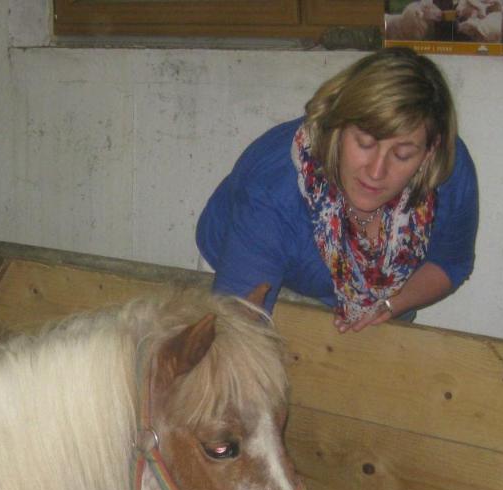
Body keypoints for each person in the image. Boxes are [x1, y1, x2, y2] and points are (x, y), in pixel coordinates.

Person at [196, 48, 477, 333]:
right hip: (246, 267)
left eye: (402, 155)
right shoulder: (273, 191)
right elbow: (236, 333)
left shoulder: (445, 169)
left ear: (429, 152)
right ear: (336, 127)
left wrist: (391, 304)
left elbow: (450, 262)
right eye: (365, 143)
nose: (376, 172)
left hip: (377, 286)